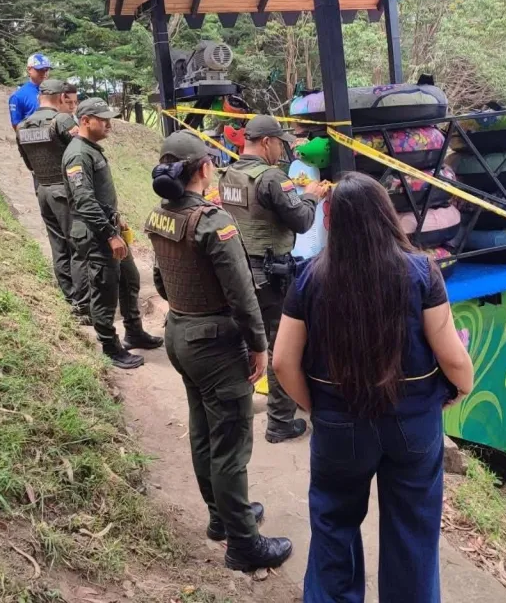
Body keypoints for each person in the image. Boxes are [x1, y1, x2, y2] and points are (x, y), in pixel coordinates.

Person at [272, 172, 474, 603]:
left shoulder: (309, 278)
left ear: (332, 221)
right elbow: (453, 357)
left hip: (338, 424)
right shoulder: (421, 272)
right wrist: (461, 388)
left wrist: (316, 406)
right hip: (413, 423)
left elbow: (283, 361)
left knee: (333, 524)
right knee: (413, 530)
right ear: (386, 215)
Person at [145, 130, 293, 571]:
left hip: (179, 332)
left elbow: (160, 280)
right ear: (205, 168)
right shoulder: (213, 223)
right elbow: (243, 296)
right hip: (215, 344)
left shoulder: (160, 215)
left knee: (202, 430)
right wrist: (259, 345)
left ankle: (223, 517)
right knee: (230, 442)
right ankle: (244, 546)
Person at [217, 114, 328, 443]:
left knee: (247, 340)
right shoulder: (273, 178)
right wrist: (312, 195)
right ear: (266, 142)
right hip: (272, 276)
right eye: (280, 143)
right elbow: (303, 220)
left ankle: (239, 408)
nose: (282, 150)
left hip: (238, 270)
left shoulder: (228, 173)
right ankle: (280, 421)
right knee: (281, 345)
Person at [62, 97, 163, 369]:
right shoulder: (78, 154)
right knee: (105, 290)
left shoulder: (90, 149)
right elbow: (84, 201)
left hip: (108, 227)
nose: (109, 124)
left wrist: (118, 222)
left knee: (129, 279)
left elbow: (99, 196)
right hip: (96, 234)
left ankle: (134, 332)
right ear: (85, 121)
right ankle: (109, 346)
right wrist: (110, 234)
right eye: (103, 119)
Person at [16, 79, 88, 321]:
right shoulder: (62, 120)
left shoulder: (23, 126)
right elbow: (81, 151)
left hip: (43, 191)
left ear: (40, 97)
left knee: (58, 247)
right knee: (78, 246)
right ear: (61, 98)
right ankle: (83, 304)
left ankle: (70, 298)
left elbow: (29, 163)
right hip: (65, 191)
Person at [8, 53, 52, 129]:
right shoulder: (18, 96)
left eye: (46, 70)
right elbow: (16, 125)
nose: (44, 73)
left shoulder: (54, 92)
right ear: (29, 69)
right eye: (40, 69)